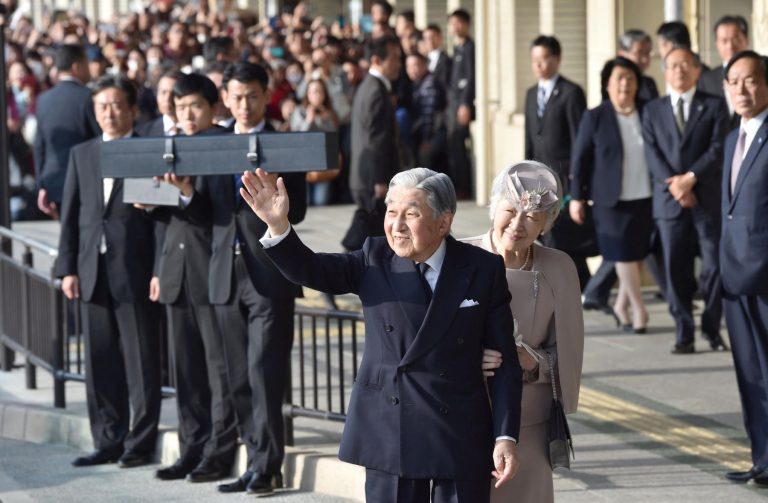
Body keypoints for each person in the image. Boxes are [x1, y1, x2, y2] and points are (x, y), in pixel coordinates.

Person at [240, 166, 522, 503]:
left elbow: (505, 364)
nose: (397, 225)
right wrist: (278, 225)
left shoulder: (482, 268)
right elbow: (312, 269)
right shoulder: (374, 259)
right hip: (391, 428)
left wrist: (505, 436)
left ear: (444, 222)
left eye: (411, 214)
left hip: (459, 428)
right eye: (391, 212)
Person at [167, 62, 307, 497]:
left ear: (266, 96)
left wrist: (277, 208)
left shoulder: (284, 145)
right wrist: (185, 194)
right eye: (235, 95)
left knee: (264, 372)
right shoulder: (210, 144)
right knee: (237, 376)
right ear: (224, 99)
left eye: (252, 95)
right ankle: (252, 462)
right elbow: (207, 214)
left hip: (269, 274)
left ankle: (268, 467)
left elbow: (297, 211)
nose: (243, 104)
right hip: (223, 275)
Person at [55, 74, 161, 469]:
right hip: (91, 269)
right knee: (99, 362)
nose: (110, 113)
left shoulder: (150, 150)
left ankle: (141, 441)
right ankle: (107, 439)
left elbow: (162, 217)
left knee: (142, 361)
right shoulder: (83, 154)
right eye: (102, 106)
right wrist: (68, 267)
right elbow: (72, 216)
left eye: (117, 105)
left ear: (132, 109)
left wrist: (158, 269)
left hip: (135, 268)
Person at [465, 161, 583, 503]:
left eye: (532, 217)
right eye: (509, 211)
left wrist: (529, 362)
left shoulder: (558, 268)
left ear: (546, 223)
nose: (517, 225)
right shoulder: (459, 256)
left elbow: (569, 358)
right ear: (493, 208)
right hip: (460, 416)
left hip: (526, 423)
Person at [147, 73, 238, 483]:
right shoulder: (171, 145)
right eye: (180, 107)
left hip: (212, 269)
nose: (187, 114)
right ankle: (191, 447)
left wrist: (184, 193)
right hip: (174, 269)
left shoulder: (226, 144)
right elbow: (167, 221)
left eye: (195, 106)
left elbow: (219, 212)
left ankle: (219, 450)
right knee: (184, 369)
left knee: (217, 368)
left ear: (214, 106)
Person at [642, 46, 728, 354]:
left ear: (696, 70)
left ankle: (711, 327)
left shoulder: (715, 106)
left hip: (706, 200)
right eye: (673, 66)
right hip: (670, 204)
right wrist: (677, 187)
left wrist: (690, 179)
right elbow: (652, 154)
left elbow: (718, 148)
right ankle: (684, 332)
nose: (679, 70)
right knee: (675, 270)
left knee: (715, 266)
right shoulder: (653, 110)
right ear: (665, 72)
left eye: (685, 65)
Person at [570, 57, 653, 333]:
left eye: (630, 78)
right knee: (623, 254)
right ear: (607, 84)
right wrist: (577, 198)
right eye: (619, 78)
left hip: (644, 194)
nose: (625, 84)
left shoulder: (648, 112)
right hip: (610, 199)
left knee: (637, 254)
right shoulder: (595, 116)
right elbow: (580, 160)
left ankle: (620, 305)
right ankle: (639, 309)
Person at [720, 50, 768, 487]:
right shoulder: (735, 135)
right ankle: (762, 460)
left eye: (750, 80)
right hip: (735, 278)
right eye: (733, 81)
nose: (741, 89)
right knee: (750, 374)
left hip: (764, 277)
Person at [524, 35, 590, 289]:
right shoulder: (531, 94)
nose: (538, 65)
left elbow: (579, 141)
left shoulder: (571, 93)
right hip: (538, 179)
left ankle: (564, 283)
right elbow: (530, 138)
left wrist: (576, 181)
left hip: (563, 178)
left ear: (557, 59)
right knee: (547, 232)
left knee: (558, 233)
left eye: (543, 59)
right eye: (534, 60)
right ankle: (579, 281)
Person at [343, 36, 402, 251]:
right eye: (394, 58)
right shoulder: (375, 89)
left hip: (366, 177)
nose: (399, 63)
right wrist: (380, 180)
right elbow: (376, 139)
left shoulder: (370, 85)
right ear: (377, 59)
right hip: (373, 180)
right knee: (370, 242)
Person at [34, 44, 101, 219]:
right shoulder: (89, 97)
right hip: (85, 180)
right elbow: (99, 138)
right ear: (76, 67)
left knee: (66, 237)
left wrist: (41, 185)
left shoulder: (43, 100)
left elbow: (39, 146)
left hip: (54, 182)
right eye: (87, 64)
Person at [290, 78, 340, 206]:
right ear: (307, 94)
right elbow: (297, 137)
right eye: (314, 92)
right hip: (303, 163)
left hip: (323, 164)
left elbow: (333, 139)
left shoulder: (330, 113)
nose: (317, 95)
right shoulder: (299, 111)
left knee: (320, 201)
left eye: (320, 91)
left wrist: (325, 120)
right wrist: (309, 120)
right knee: (305, 202)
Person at [698, 15, 749, 130]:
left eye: (735, 39)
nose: (730, 46)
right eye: (724, 41)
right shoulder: (706, 80)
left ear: (746, 40)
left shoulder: (762, 72)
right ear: (717, 44)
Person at [446, 8, 475, 197]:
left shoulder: (471, 48)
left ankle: (464, 187)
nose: (455, 27)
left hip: (463, 106)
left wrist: (466, 104)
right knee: (453, 146)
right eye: (452, 23)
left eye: (459, 23)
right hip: (452, 106)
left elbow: (471, 78)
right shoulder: (456, 48)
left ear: (467, 24)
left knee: (459, 145)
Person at [406, 52, 447, 172]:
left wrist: (426, 140)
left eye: (416, 65)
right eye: (408, 66)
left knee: (424, 161)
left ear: (425, 65)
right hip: (428, 134)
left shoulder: (429, 83)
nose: (411, 69)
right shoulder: (418, 84)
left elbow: (428, 114)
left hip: (435, 134)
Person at [136, 69, 182, 136]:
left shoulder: (199, 132)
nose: (167, 98)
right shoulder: (142, 133)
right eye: (163, 92)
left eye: (174, 93)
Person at [617, 29, 659, 102]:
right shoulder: (614, 82)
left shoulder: (649, 83)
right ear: (622, 54)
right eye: (638, 53)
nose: (645, 59)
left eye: (647, 53)